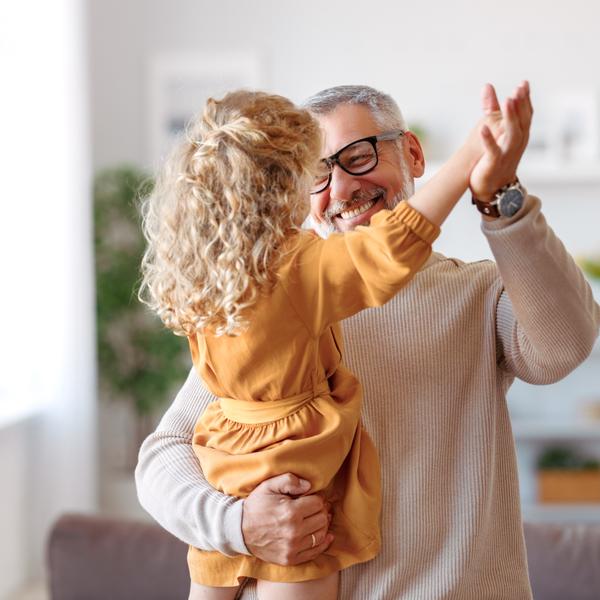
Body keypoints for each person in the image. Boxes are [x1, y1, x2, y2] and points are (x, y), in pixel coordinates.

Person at [136, 82, 600, 600]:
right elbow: (162, 457)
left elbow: (565, 346)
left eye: (358, 157)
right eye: (317, 173)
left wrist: (499, 197)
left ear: (413, 154)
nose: (340, 189)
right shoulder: (269, 309)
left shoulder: (480, 291)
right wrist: (237, 524)